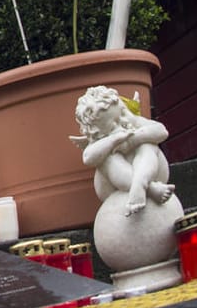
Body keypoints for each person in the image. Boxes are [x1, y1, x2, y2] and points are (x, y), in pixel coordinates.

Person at [71, 85, 174, 216]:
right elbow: (88, 158)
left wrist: (133, 140)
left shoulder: (133, 121)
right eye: (114, 125)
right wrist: (113, 140)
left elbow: (161, 131)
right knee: (107, 159)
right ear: (98, 133)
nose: (123, 121)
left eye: (123, 113)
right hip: (113, 189)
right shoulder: (99, 141)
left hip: (155, 173)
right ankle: (150, 189)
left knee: (147, 145)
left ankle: (140, 184)